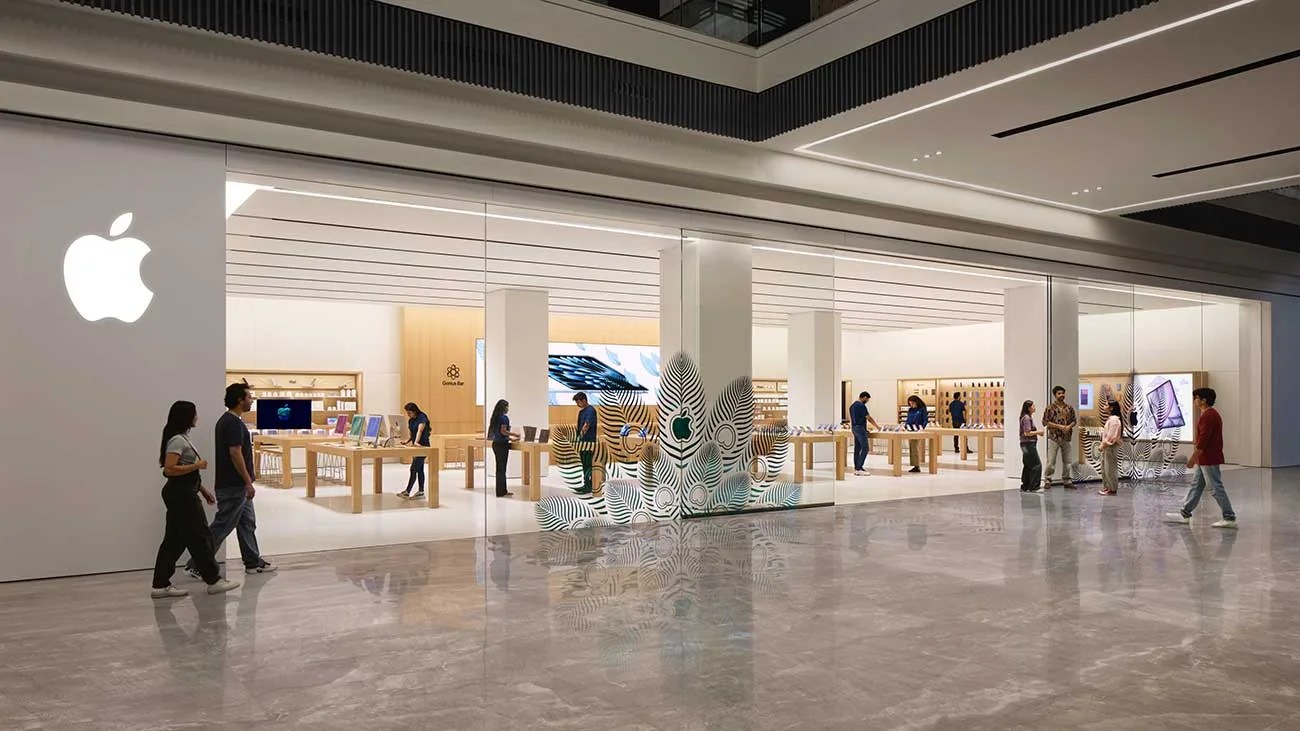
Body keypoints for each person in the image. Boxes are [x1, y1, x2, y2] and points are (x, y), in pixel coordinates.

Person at [185, 383, 276, 579]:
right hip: (234, 486)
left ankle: (253, 562)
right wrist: (248, 482)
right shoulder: (233, 423)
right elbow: (235, 453)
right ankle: (198, 564)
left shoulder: (228, 421)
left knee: (247, 523)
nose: (252, 400)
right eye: (249, 397)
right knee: (223, 525)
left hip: (236, 486)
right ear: (239, 400)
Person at [151, 401, 241, 598]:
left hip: (182, 492)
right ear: (186, 417)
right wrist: (197, 465)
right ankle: (213, 580)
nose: (197, 417)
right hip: (181, 495)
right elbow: (169, 469)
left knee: (174, 541)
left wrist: (203, 490)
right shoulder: (177, 440)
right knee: (200, 537)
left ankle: (160, 584)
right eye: (195, 414)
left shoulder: (180, 438)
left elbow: (181, 471)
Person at [1166, 387, 1237, 528]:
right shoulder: (1209, 414)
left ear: (1203, 400)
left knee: (1215, 487)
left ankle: (1229, 516)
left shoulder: (1208, 416)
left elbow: (1203, 440)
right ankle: (1185, 513)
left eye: (1196, 398)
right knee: (1196, 486)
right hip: (1205, 458)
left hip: (1208, 458)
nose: (1194, 401)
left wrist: (1193, 458)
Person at [1042, 386, 1077, 489]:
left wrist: (1068, 427)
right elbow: (1045, 422)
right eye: (1059, 393)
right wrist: (1059, 427)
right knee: (1051, 461)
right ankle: (1048, 480)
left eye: (1063, 393)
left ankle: (1067, 480)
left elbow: (1074, 420)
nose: (1061, 395)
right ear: (1055, 395)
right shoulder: (1050, 408)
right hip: (1054, 438)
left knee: (1068, 461)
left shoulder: (1069, 408)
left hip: (1066, 438)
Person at [488, 399, 520, 498]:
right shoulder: (504, 418)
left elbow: (499, 433)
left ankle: (501, 491)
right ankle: (502, 491)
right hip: (502, 446)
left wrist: (510, 439)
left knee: (499, 469)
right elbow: (503, 431)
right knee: (502, 469)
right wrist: (514, 434)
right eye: (507, 407)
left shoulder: (495, 418)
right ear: (504, 407)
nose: (508, 409)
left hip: (496, 444)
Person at [399, 402, 431, 500]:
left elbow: (419, 431)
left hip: (423, 447)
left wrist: (416, 442)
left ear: (414, 411)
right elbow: (412, 434)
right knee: (419, 469)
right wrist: (407, 441)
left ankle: (407, 491)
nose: (408, 415)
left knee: (413, 468)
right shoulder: (411, 420)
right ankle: (421, 492)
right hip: (415, 447)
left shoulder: (422, 417)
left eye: (409, 413)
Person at [849, 391, 880, 477]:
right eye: (867, 399)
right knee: (865, 448)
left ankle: (857, 468)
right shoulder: (861, 405)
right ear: (864, 397)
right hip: (860, 429)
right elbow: (868, 418)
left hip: (854, 428)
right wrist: (877, 427)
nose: (867, 401)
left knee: (857, 449)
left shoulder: (852, 406)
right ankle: (859, 468)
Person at [574, 392, 597, 494]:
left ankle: (590, 486)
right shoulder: (581, 412)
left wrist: (580, 437)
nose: (577, 404)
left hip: (589, 442)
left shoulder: (590, 410)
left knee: (588, 464)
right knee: (584, 464)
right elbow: (579, 427)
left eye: (578, 402)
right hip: (582, 442)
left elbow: (586, 425)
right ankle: (586, 484)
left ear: (584, 400)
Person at [1019, 400, 1045, 493]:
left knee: (1028, 465)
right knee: (1036, 464)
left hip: (1025, 444)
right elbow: (1027, 433)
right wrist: (1039, 432)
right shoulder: (1026, 418)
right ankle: (1034, 486)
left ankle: (1025, 485)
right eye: (1033, 406)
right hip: (1029, 444)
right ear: (1029, 408)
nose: (1035, 407)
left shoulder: (1026, 417)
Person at [1098, 400, 1123, 496]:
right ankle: (1108, 487)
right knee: (1105, 468)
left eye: (1106, 405)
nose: (1104, 406)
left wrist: (1103, 445)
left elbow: (1111, 437)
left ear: (1111, 407)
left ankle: (1112, 488)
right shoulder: (1111, 419)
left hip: (1110, 447)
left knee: (1110, 468)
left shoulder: (1114, 420)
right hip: (1107, 447)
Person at [905, 395, 929, 473]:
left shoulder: (922, 409)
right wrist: (906, 426)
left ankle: (917, 465)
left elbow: (925, 420)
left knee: (915, 447)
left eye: (912, 403)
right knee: (912, 447)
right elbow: (908, 420)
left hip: (918, 430)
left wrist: (922, 428)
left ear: (916, 402)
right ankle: (915, 465)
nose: (911, 405)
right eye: (910, 403)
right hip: (910, 430)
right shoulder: (910, 410)